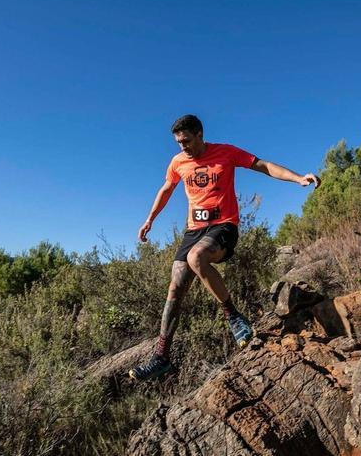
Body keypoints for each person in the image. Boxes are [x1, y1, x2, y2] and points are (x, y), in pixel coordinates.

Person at [128, 114, 320, 381]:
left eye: (186, 141)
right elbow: (167, 189)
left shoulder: (226, 152)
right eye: (178, 142)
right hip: (193, 231)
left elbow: (262, 165)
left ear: (199, 135)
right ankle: (161, 357)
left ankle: (233, 316)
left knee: (197, 257)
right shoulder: (178, 162)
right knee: (175, 287)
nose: (182, 146)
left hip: (223, 227)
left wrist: (297, 178)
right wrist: (149, 219)